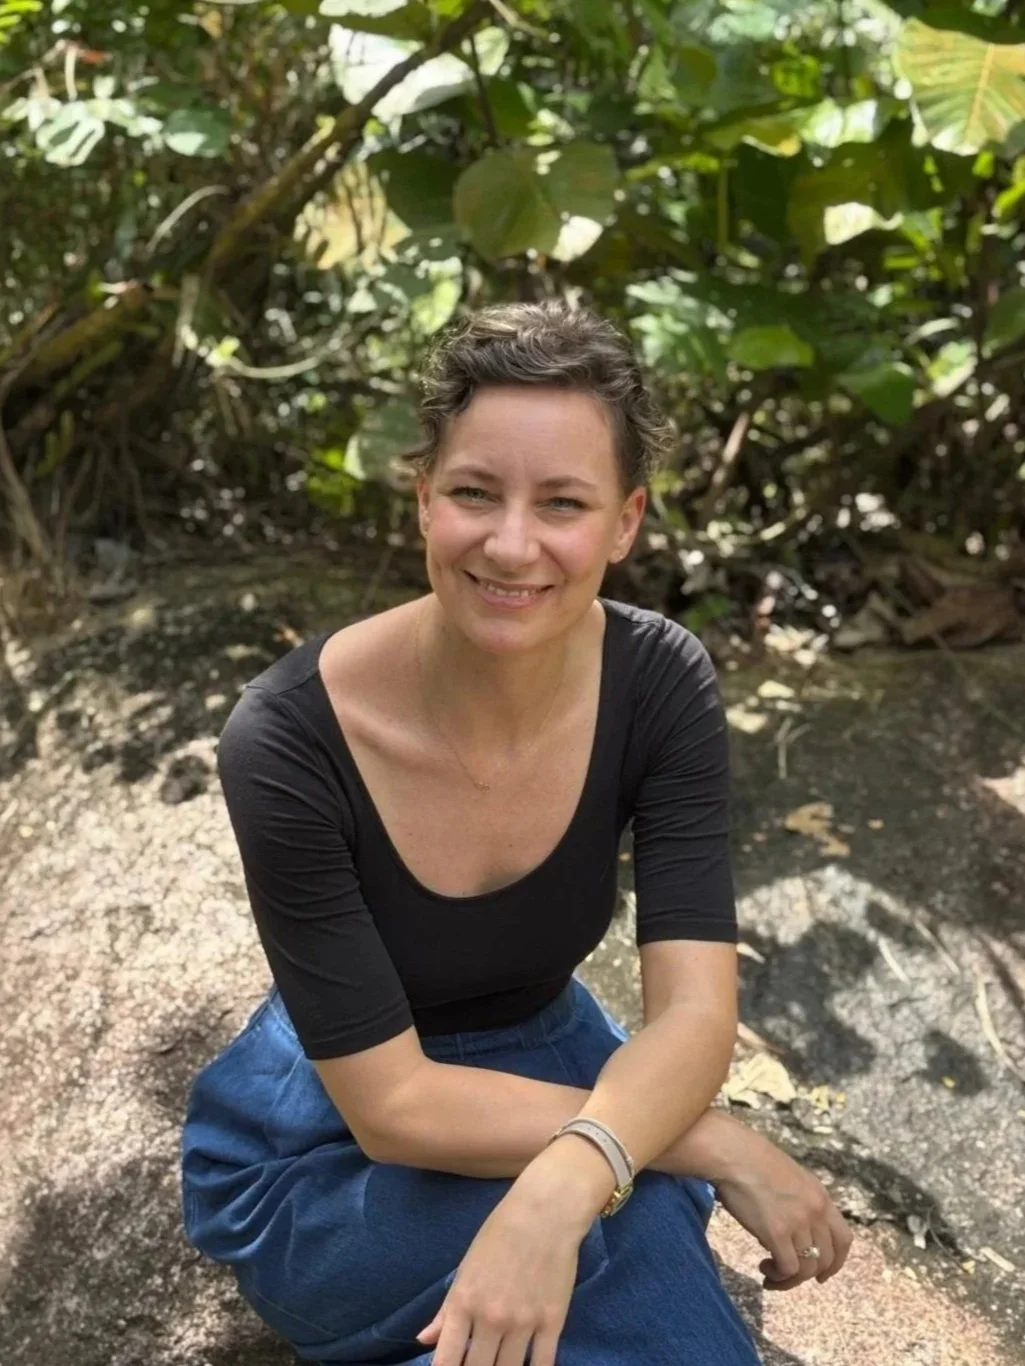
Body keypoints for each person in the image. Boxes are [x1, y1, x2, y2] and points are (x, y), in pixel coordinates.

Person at [180, 301, 852, 1366]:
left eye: (563, 503)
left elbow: (693, 1010)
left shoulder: (659, 681)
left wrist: (564, 1178)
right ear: (422, 498)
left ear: (624, 522)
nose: (510, 543)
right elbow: (394, 1107)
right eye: (473, 492)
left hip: (553, 1061)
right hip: (329, 1149)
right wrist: (698, 1140)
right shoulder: (288, 739)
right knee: (635, 1210)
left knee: (602, 1215)